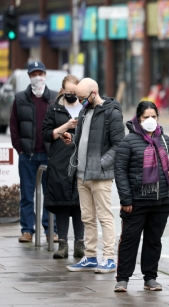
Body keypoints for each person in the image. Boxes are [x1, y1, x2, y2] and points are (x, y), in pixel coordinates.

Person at [113, 101, 169, 292]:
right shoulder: (128, 141)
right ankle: (123, 279)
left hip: (161, 201)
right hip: (136, 201)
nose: (150, 120)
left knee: (153, 240)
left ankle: (150, 278)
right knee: (129, 239)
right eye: (146, 117)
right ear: (138, 118)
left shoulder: (165, 140)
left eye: (153, 116)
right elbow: (120, 171)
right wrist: (126, 199)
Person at [61, 78, 125, 273]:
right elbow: (86, 140)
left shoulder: (112, 113)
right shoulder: (84, 110)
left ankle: (108, 258)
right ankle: (90, 256)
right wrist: (72, 140)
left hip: (100, 175)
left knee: (105, 217)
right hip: (82, 174)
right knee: (87, 217)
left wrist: (100, 163)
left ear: (93, 93)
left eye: (82, 97)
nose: (79, 101)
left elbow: (119, 145)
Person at [10, 61, 59, 243]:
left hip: (48, 155)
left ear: (45, 75)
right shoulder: (20, 98)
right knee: (27, 195)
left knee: (50, 195)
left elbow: (59, 125)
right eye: (34, 74)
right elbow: (14, 125)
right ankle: (27, 230)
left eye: (40, 73)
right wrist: (20, 149)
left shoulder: (54, 98)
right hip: (28, 156)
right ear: (29, 76)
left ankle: (50, 230)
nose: (38, 77)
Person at [42, 75, 85, 259]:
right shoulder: (54, 109)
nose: (71, 95)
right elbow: (45, 134)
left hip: (80, 159)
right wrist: (66, 126)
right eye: (68, 92)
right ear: (62, 91)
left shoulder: (86, 108)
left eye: (74, 92)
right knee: (61, 204)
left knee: (80, 204)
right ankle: (62, 245)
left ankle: (79, 244)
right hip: (59, 160)